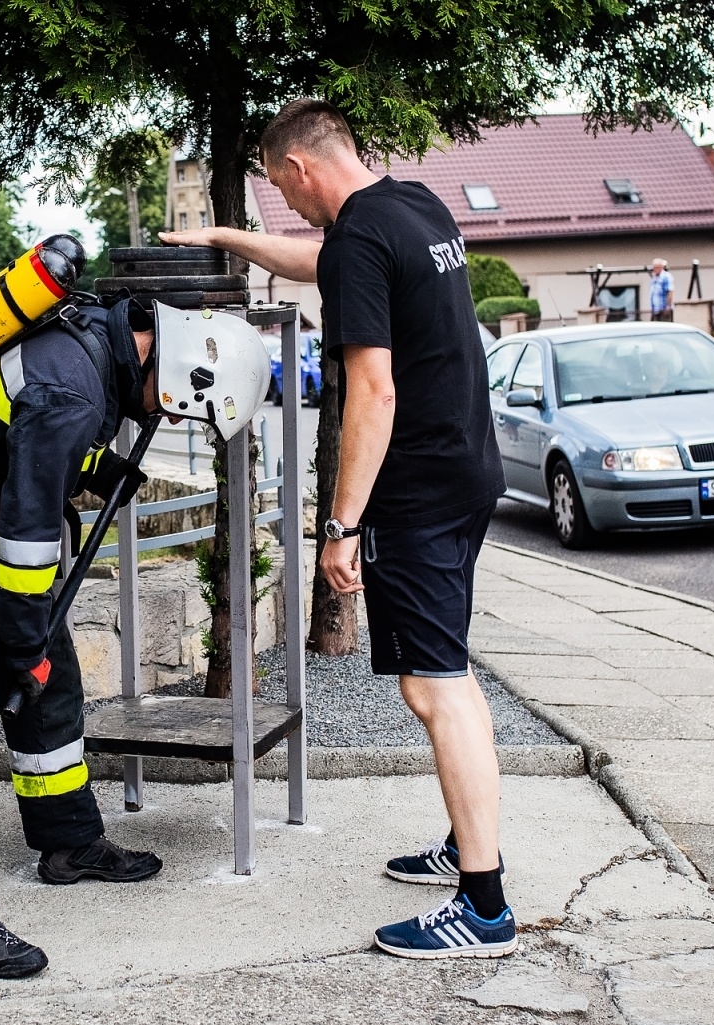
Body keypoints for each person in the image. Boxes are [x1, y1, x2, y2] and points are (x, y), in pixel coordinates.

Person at [161, 98, 516, 959]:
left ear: (298, 169)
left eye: (279, 190)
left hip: (419, 491)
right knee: (448, 674)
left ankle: (485, 906)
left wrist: (341, 525)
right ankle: (467, 845)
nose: (285, 204)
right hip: (469, 469)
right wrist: (228, 239)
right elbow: (320, 260)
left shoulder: (360, 236)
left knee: (434, 687)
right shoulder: (413, 207)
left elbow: (374, 393)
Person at [0, 293, 267, 979]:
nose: (174, 418)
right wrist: (21, 647)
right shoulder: (73, 388)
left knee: (50, 691)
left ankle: (68, 844)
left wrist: (95, 468)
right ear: (180, 372)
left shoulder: (96, 347)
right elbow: (27, 536)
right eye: (183, 407)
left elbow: (17, 439)